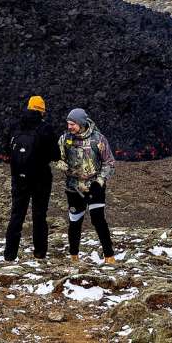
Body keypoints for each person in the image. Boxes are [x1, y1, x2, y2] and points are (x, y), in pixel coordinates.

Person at [55, 108, 117, 264]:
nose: (69, 127)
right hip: (73, 188)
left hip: (94, 187)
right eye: (68, 124)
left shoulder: (98, 139)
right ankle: (74, 256)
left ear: (81, 123)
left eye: (73, 124)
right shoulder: (64, 139)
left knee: (98, 220)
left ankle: (109, 256)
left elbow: (109, 163)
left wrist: (99, 181)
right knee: (75, 222)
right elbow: (57, 158)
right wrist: (64, 166)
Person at [4, 95, 60, 261]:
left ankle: (9, 254)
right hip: (41, 179)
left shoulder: (15, 126)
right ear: (42, 111)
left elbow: (7, 150)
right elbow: (55, 155)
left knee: (16, 215)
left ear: (28, 107)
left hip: (19, 177)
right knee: (39, 215)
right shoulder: (46, 129)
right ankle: (39, 252)